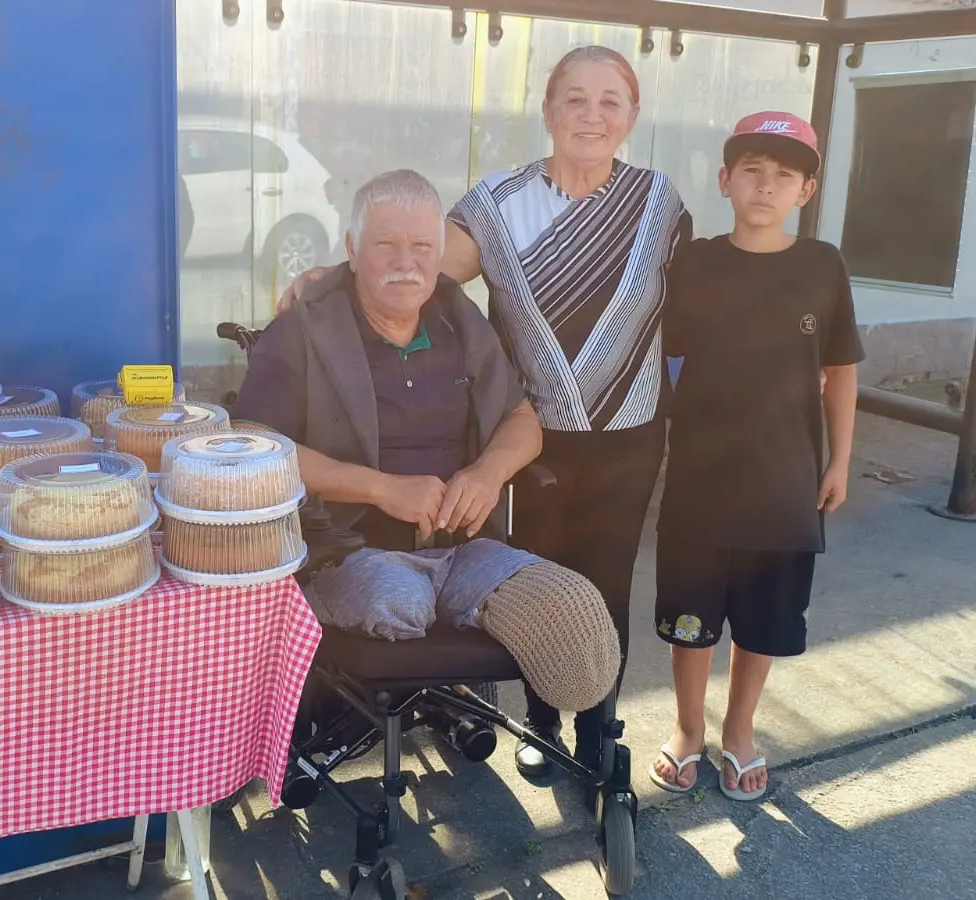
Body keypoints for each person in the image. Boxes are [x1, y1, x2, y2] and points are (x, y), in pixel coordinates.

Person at [277, 46, 692, 777]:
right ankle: (540, 725)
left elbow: (695, 308)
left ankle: (599, 730)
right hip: (530, 435)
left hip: (628, 430)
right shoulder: (498, 204)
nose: (591, 115)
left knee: (608, 582)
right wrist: (331, 272)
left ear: (631, 116)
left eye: (610, 101)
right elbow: (415, 262)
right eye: (575, 98)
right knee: (528, 584)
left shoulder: (661, 203)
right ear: (548, 110)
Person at [232, 169, 623, 717]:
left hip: (463, 546)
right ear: (351, 248)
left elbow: (522, 419)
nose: (404, 262)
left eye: (421, 246)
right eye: (384, 244)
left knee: (573, 618)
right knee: (398, 599)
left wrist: (487, 474)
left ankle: (459, 669)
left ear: (440, 253)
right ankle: (421, 688)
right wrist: (379, 489)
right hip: (347, 548)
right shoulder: (305, 328)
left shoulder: (458, 320)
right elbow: (252, 443)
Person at [649, 112, 864, 801]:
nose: (766, 187)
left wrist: (838, 462)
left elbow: (841, 368)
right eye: (752, 172)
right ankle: (688, 729)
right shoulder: (698, 262)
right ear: (725, 181)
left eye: (784, 176)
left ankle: (739, 730)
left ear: (805, 190)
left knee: (765, 620)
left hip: (785, 486)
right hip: (698, 484)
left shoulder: (822, 266)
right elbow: (660, 352)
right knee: (691, 618)